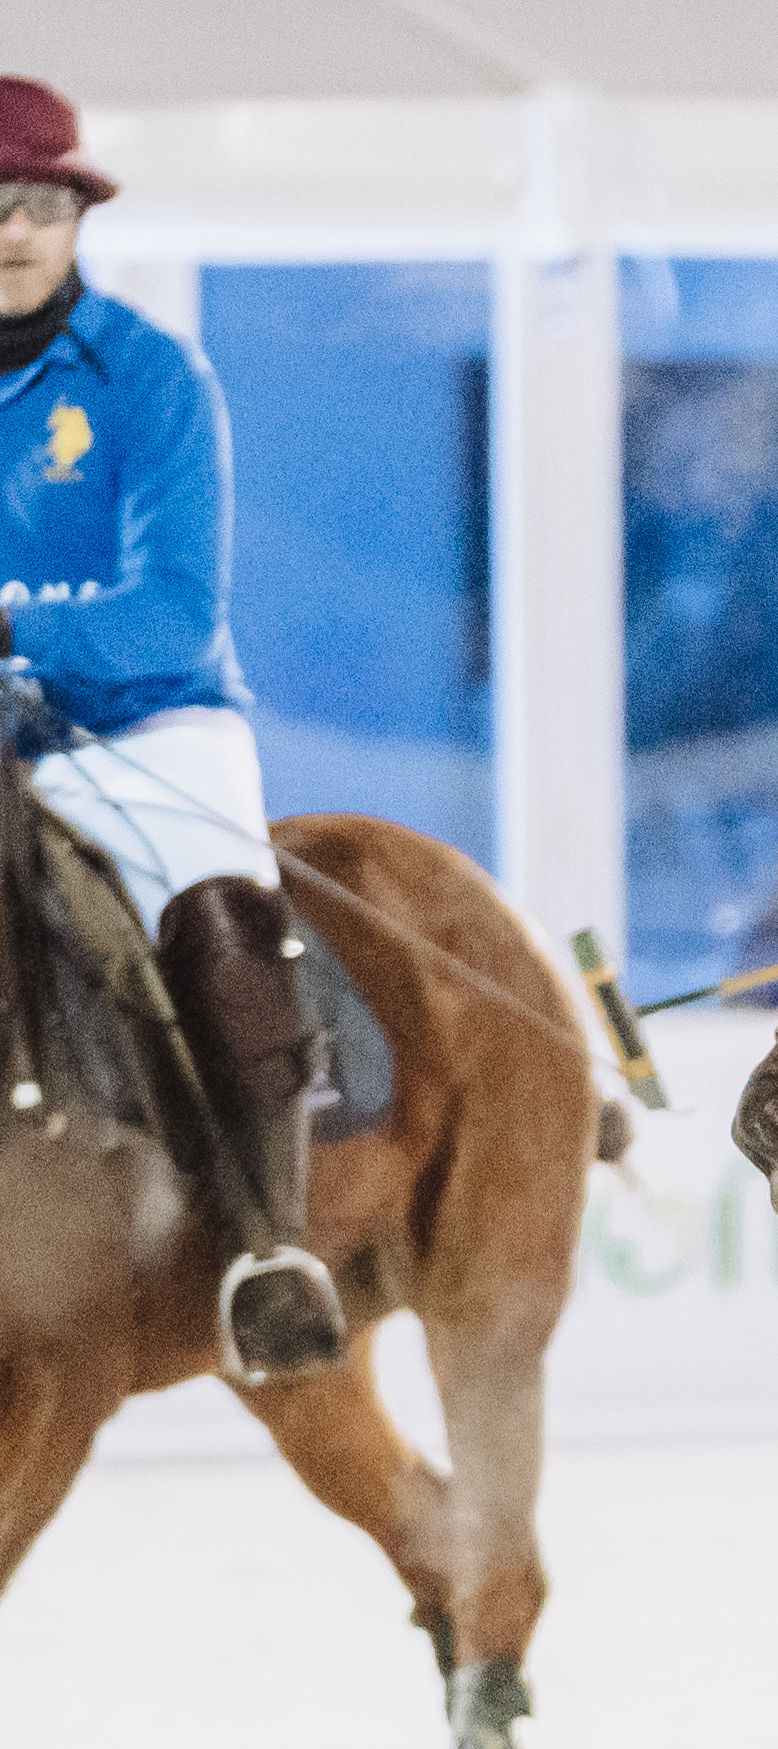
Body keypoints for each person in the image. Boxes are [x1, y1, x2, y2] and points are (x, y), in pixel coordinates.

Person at [0, 75, 339, 1381]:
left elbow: (174, 616)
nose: (11, 232)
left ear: (76, 216)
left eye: (37, 204)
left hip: (143, 731)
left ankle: (271, 1248)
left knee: (216, 903)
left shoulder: (150, 378)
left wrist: (14, 628)